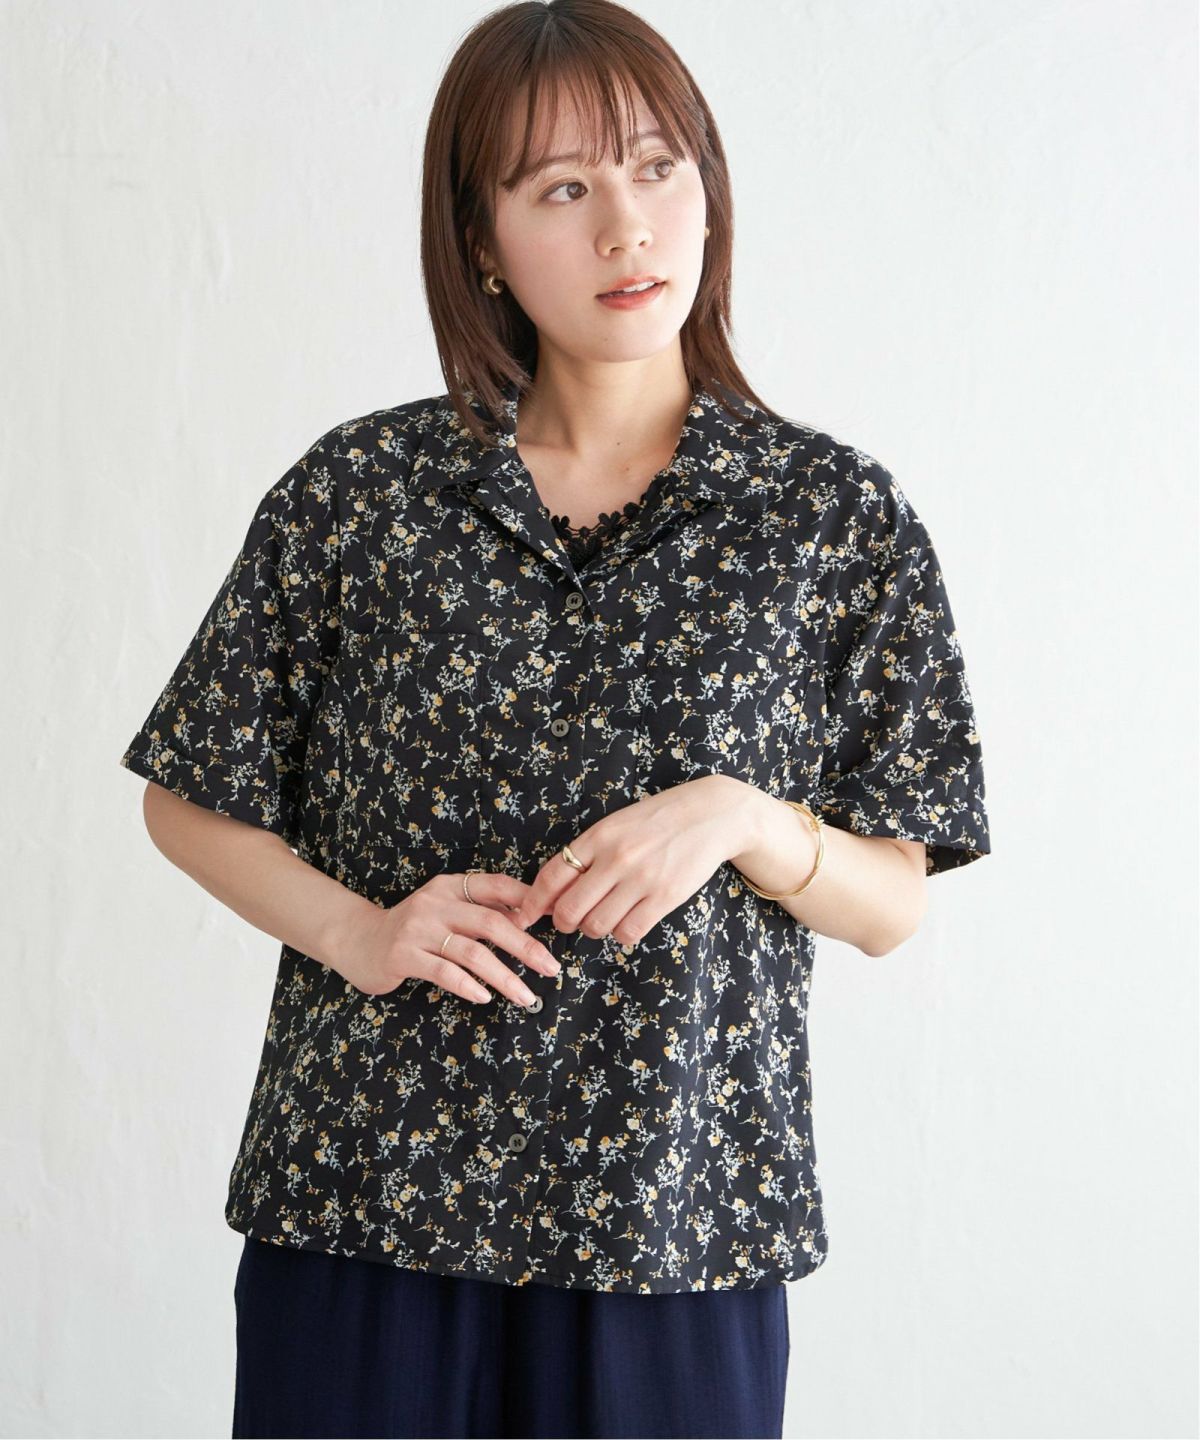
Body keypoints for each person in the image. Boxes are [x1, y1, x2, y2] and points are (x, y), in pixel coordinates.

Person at [118, 2, 991, 1436]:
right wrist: (360, 932)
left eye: (656, 169)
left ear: (708, 189)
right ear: (482, 241)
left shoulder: (831, 518)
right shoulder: (361, 495)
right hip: (366, 1197)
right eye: (562, 188)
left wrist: (745, 818)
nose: (625, 227)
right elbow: (189, 793)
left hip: (680, 1220)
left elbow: (895, 901)